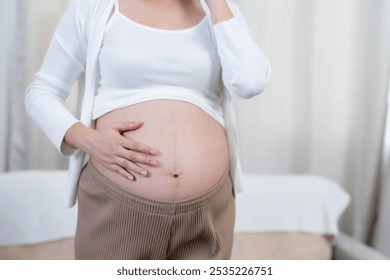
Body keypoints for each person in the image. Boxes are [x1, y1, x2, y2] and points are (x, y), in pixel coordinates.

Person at [25, 0, 272, 260]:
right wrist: (88, 140)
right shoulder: (93, 7)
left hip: (207, 212)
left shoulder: (219, 10)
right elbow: (42, 92)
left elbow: (250, 82)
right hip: (116, 205)